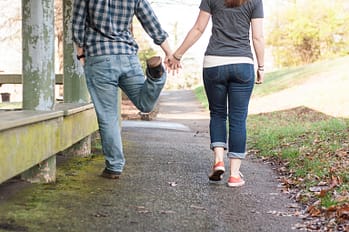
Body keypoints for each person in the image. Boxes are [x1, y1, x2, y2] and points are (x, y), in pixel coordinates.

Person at [72, 0, 175, 179]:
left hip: (99, 57)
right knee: (145, 104)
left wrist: (80, 52)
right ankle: (155, 75)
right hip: (127, 56)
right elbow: (151, 21)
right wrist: (169, 52)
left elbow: (78, 23)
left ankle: (114, 166)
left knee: (108, 117)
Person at [169, 0, 264, 187]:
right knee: (238, 119)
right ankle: (234, 175)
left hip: (214, 63)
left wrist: (177, 54)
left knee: (218, 114)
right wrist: (261, 66)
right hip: (242, 63)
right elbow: (258, 37)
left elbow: (198, 28)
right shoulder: (255, 1)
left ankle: (218, 161)